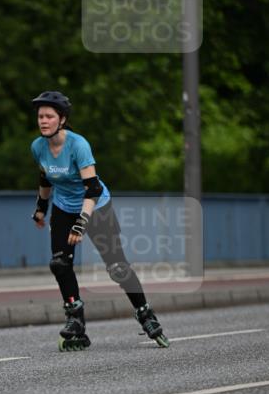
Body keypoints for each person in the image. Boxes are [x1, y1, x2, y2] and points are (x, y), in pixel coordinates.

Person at [30, 90, 169, 350]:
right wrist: (41, 207)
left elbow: (92, 189)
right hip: (63, 207)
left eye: (49, 116)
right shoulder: (38, 147)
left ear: (62, 119)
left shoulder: (78, 145)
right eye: (40, 116)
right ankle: (76, 321)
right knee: (59, 263)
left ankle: (145, 313)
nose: (43, 121)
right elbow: (45, 178)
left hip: (97, 207)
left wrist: (81, 223)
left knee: (117, 267)